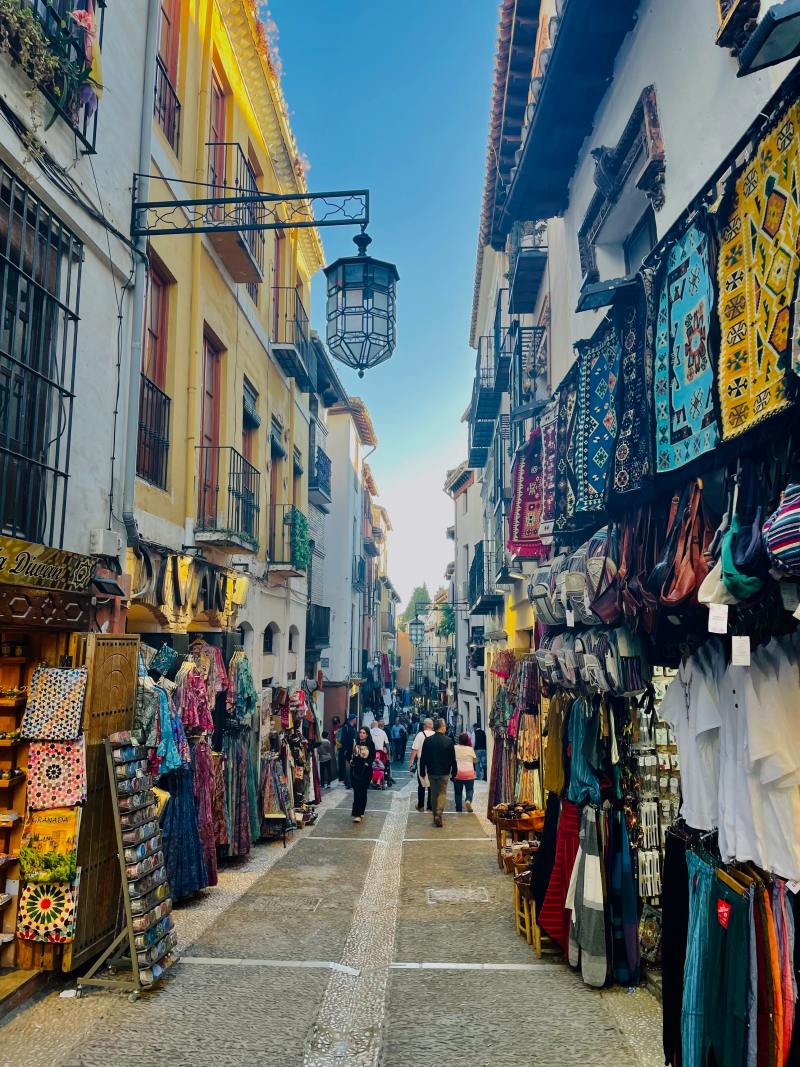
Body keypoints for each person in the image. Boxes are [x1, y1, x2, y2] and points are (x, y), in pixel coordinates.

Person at [420, 718, 457, 827]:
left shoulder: (428, 740)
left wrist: (422, 770)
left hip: (432, 771)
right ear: (441, 727)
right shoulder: (449, 741)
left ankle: (435, 814)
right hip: (444, 772)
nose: (445, 727)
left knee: (433, 793)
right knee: (442, 792)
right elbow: (452, 758)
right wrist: (454, 771)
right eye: (444, 726)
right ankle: (439, 813)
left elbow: (423, 758)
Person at [350, 727, 375, 824]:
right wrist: (350, 760)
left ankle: (360, 813)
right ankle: (356, 812)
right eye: (360, 732)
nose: (361, 734)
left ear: (367, 734)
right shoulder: (355, 743)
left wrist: (368, 763)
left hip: (365, 771)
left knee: (363, 791)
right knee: (357, 791)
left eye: (364, 733)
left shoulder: (370, 744)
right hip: (355, 770)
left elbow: (372, 756)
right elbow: (349, 753)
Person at [409, 717, 435, 811]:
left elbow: (414, 750)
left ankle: (420, 805)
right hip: (433, 763)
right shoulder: (436, 735)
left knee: (421, 785)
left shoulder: (420, 735)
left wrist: (411, 763)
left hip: (422, 763)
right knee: (431, 785)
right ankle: (430, 805)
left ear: (424, 725)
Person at [453, 732, 477, 813]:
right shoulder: (470, 749)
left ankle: (459, 809)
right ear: (467, 741)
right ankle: (468, 800)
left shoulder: (454, 748)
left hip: (458, 773)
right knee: (470, 789)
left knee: (458, 793)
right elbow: (475, 760)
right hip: (469, 773)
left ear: (459, 740)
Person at [338, 714, 358, 788]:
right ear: (352, 720)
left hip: (351, 751)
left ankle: (349, 782)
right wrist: (345, 750)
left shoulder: (352, 728)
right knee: (347, 767)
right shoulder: (346, 728)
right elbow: (344, 740)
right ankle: (348, 783)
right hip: (346, 751)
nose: (356, 720)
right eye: (355, 719)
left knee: (350, 766)